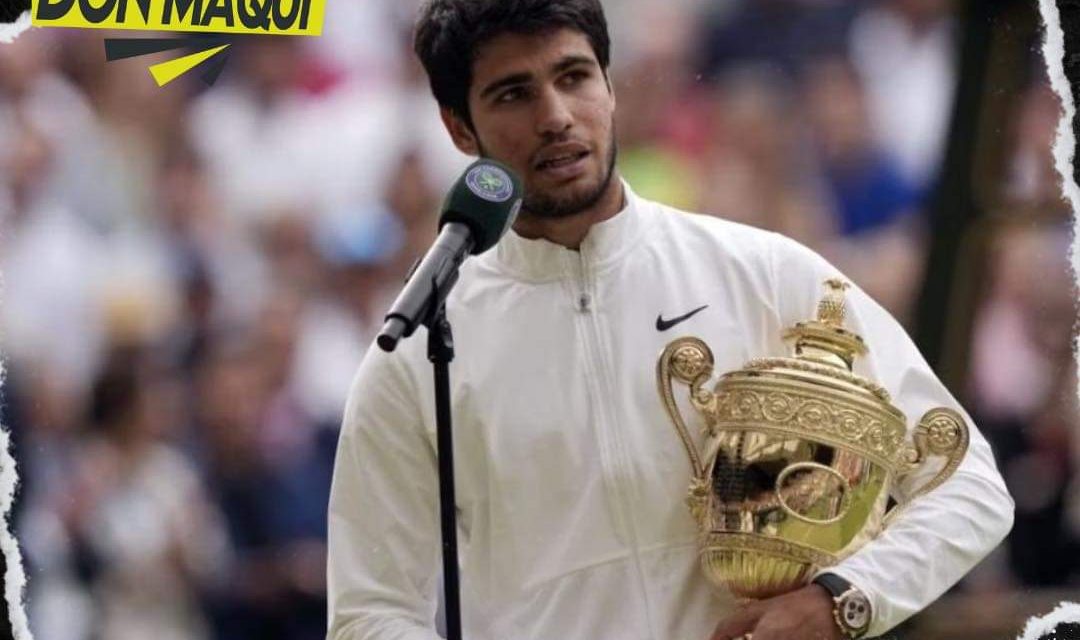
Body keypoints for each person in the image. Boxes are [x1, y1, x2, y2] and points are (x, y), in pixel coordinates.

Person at [326, 2, 1015, 639]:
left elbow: (968, 485)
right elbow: (369, 611)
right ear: (458, 127)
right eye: (514, 93)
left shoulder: (766, 276)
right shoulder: (419, 350)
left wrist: (843, 600)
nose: (557, 114)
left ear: (611, 86)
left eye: (574, 76)